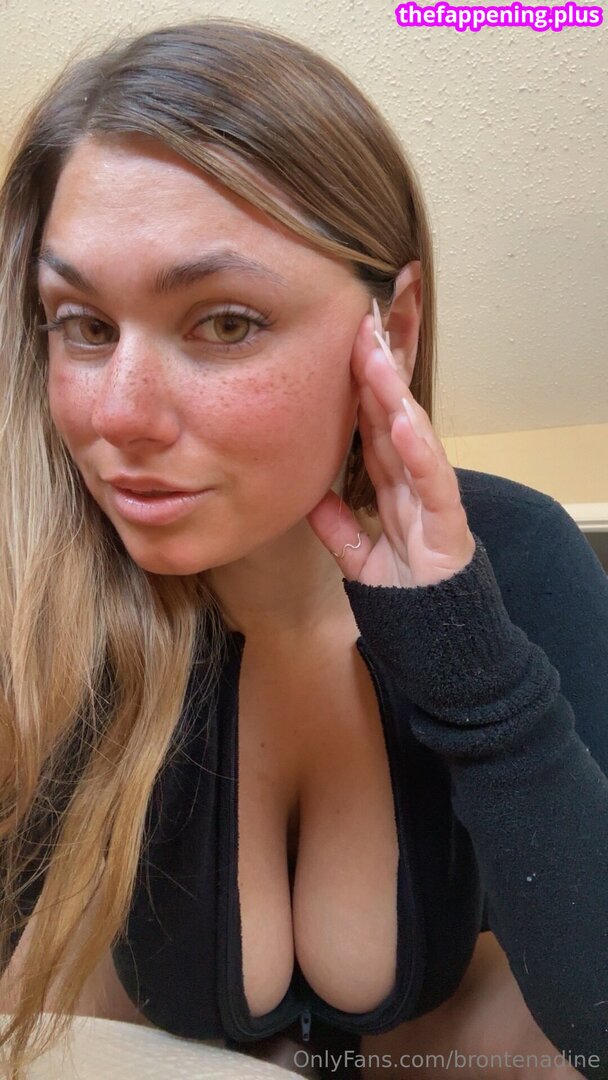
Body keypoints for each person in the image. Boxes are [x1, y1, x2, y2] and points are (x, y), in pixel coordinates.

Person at [0, 17, 606, 1080]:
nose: (118, 416)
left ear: (393, 330)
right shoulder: (42, 602)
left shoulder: (520, 558)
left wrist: (472, 677)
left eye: (225, 322)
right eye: (84, 325)